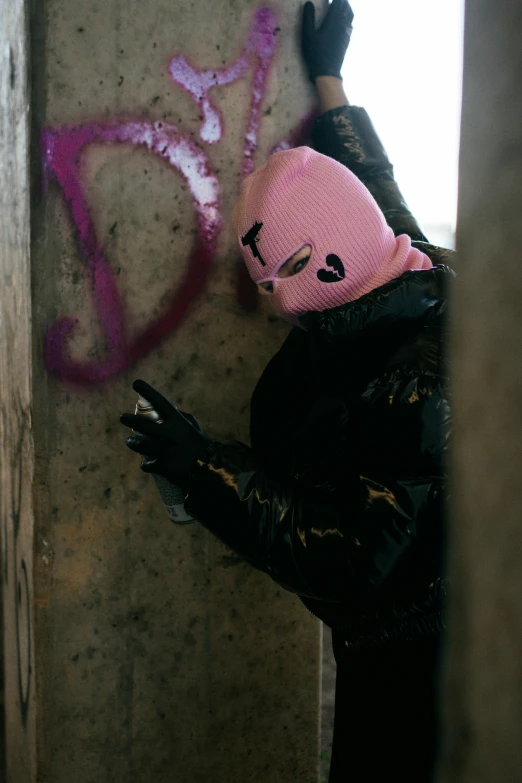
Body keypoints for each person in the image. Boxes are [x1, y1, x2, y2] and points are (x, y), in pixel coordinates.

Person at [120, 1, 453, 780]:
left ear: (324, 271)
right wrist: (329, 75)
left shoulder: (410, 390)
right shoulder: (406, 267)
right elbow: (373, 183)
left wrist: (206, 470)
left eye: (273, 274)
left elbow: (349, 556)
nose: (264, 295)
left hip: (418, 656)